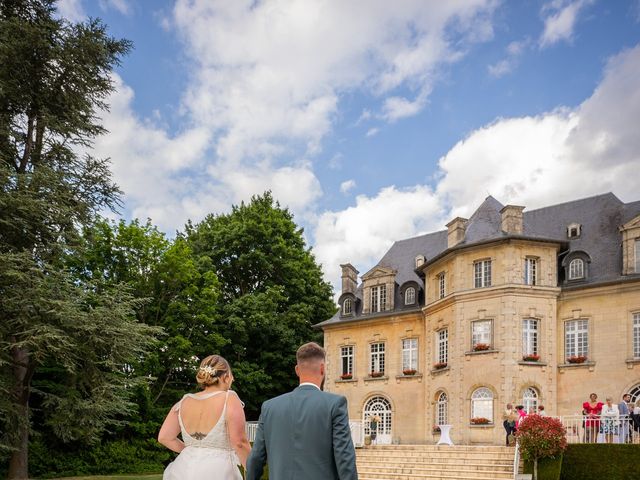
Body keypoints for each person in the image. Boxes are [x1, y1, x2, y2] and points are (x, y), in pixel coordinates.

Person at [246, 342, 358, 480]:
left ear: (297, 370)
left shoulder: (269, 407)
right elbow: (345, 459)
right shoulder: (335, 404)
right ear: (322, 368)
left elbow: (255, 459)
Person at [158, 355, 251, 480]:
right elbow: (239, 443)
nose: (233, 379)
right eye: (231, 375)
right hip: (218, 471)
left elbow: (164, 437)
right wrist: (253, 470)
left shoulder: (184, 401)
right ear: (226, 376)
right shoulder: (229, 398)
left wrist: (193, 451)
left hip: (183, 469)